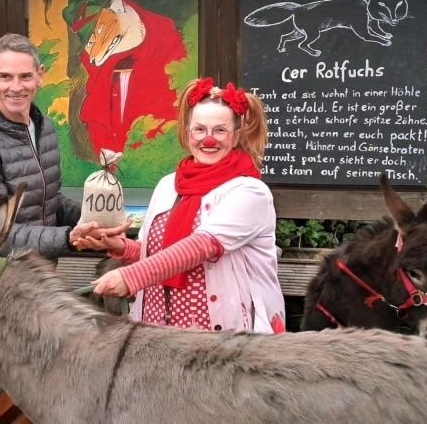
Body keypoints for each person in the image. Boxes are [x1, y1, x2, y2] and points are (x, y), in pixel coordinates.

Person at [74, 77, 286, 333]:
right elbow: (154, 251)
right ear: (188, 132)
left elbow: (201, 246)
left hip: (222, 337)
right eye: (199, 129)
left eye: (220, 130)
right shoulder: (168, 185)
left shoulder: (250, 192)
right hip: (158, 330)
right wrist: (120, 246)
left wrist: (130, 277)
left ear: (236, 136)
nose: (209, 139)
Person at [0, 33, 124, 259]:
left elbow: (47, 202)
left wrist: (98, 218)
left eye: (25, 76)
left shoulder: (44, 128)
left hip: (36, 271)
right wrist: (67, 237)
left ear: (40, 75)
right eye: (6, 77)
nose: (16, 87)